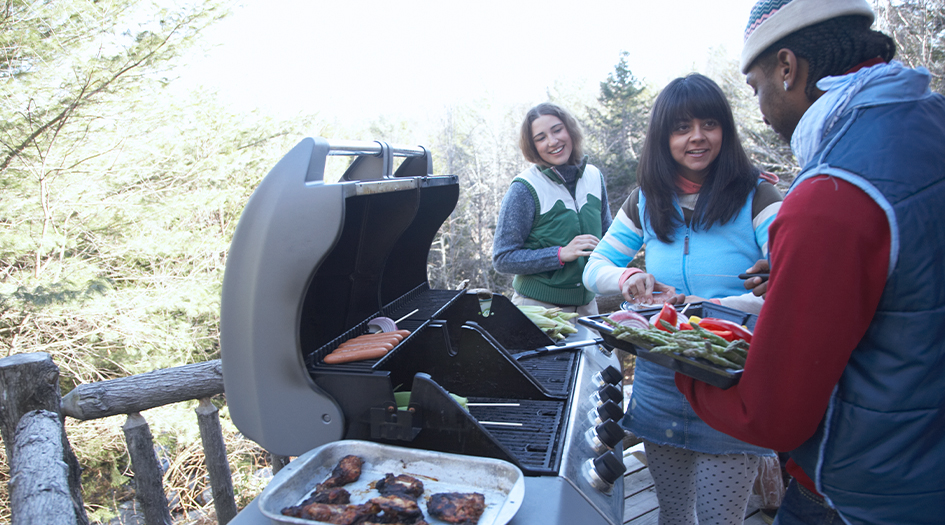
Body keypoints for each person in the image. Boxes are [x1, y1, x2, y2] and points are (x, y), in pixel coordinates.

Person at [676, 1, 945, 524]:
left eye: (755, 88)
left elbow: (772, 417)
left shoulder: (829, 195)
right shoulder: (930, 121)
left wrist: (683, 368)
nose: (759, 109)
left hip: (862, 493)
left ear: (787, 67)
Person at [583, 73, 782, 525]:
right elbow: (595, 270)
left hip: (729, 378)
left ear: (725, 131)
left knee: (719, 521)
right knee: (672, 516)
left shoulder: (758, 195)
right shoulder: (647, 200)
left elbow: (794, 281)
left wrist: (711, 304)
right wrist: (628, 275)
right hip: (661, 381)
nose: (696, 137)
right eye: (681, 127)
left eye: (709, 124)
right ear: (663, 137)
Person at [492, 102, 612, 316]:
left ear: (570, 130)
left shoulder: (594, 176)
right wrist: (560, 254)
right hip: (538, 309)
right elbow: (503, 258)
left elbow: (609, 237)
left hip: (588, 308)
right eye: (541, 138)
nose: (553, 142)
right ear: (533, 146)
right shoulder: (524, 188)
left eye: (557, 130)